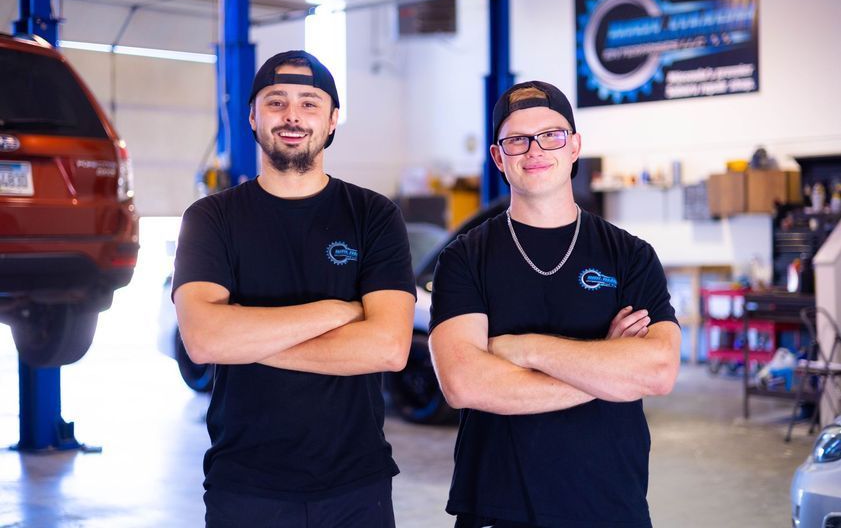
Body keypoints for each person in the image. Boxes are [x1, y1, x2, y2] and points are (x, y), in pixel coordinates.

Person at [172, 50, 416, 527]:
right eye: (276, 101)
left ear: (332, 120)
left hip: (357, 486)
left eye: (309, 103)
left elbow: (388, 347)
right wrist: (339, 310)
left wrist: (246, 338)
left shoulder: (374, 216)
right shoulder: (210, 219)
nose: (292, 116)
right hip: (244, 485)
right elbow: (204, 340)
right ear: (253, 116)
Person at [428, 80, 681, 528]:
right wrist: (607, 371)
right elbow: (464, 383)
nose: (535, 150)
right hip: (496, 505)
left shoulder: (630, 255)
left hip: (609, 504)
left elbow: (658, 370)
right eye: (517, 140)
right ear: (498, 157)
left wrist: (524, 349)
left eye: (551, 135)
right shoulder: (464, 259)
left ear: (574, 146)